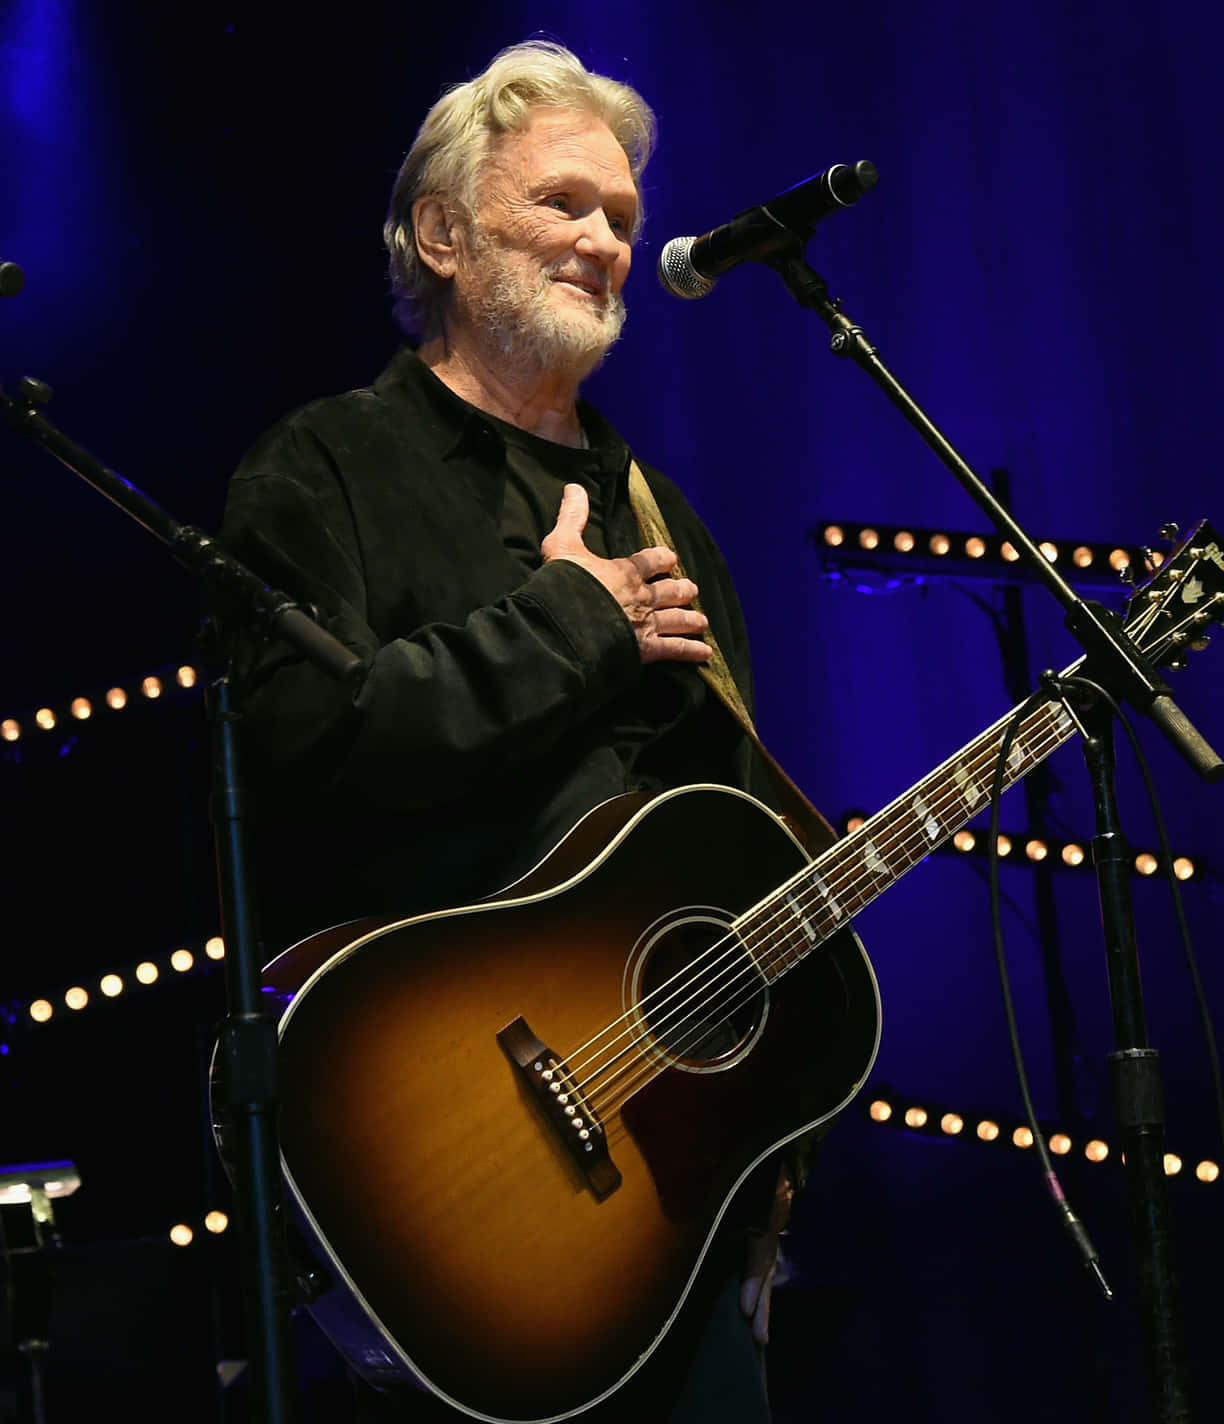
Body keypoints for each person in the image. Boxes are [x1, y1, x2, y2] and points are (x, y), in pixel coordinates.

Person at [215, 38, 825, 1424]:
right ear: (441, 233)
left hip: (664, 1201)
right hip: (442, 1199)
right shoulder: (324, 469)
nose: (606, 242)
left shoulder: (666, 520)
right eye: (564, 204)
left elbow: (726, 862)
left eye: (622, 217)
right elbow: (306, 757)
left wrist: (773, 1140)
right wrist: (571, 623)